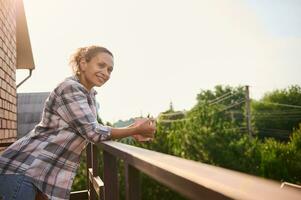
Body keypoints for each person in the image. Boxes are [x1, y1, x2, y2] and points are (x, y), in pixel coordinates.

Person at [0, 45, 156, 200]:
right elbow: (93, 132)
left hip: (39, 176)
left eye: (110, 70)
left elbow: (93, 128)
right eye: (101, 65)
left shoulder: (89, 96)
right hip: (24, 169)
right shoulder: (70, 88)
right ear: (83, 63)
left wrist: (134, 128)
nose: (106, 73)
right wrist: (135, 130)